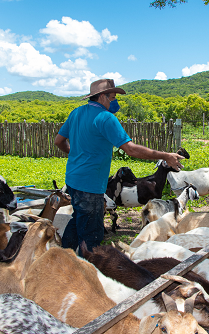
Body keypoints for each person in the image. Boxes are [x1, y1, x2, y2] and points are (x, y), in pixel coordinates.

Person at [54, 78, 184, 253]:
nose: (115, 102)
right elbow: (130, 149)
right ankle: (86, 271)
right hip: (90, 186)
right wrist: (165, 155)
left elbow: (59, 141)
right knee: (92, 235)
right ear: (102, 97)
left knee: (78, 219)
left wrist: (76, 155)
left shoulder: (76, 113)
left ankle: (62, 257)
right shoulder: (106, 119)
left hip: (73, 180)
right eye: (113, 97)